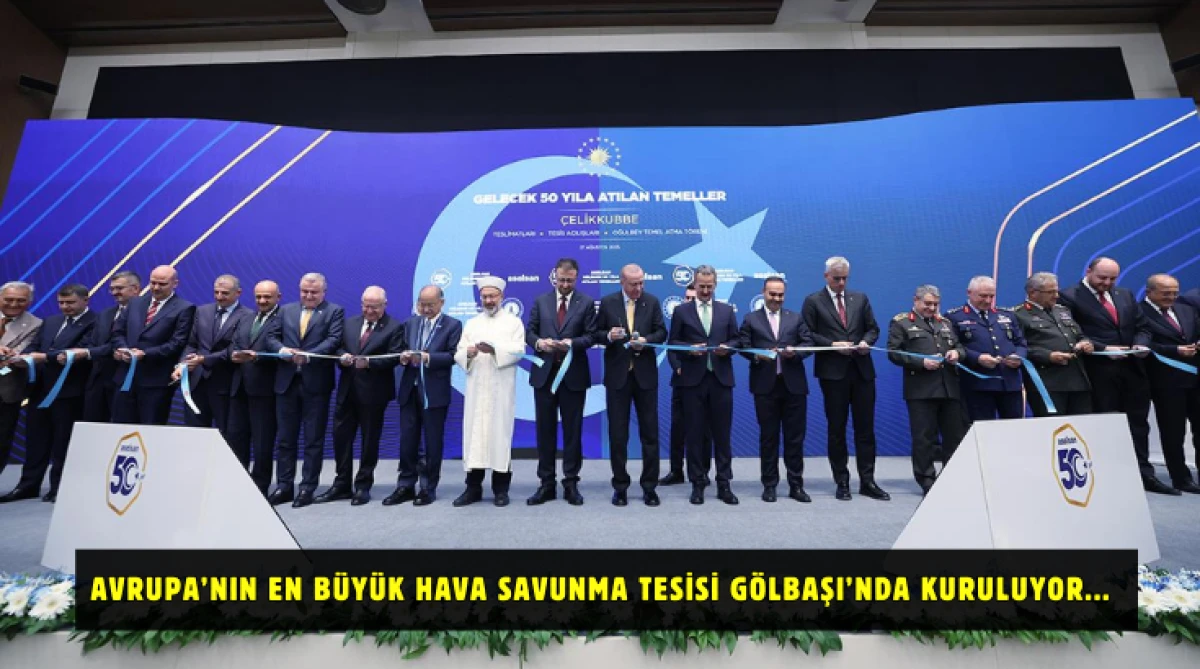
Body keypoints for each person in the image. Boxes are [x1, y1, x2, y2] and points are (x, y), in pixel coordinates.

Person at [1058, 257, 1175, 495]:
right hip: (1099, 373)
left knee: (1138, 425)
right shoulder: (1068, 296)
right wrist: (1103, 349)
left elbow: (1143, 327)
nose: (1107, 283)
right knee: (1103, 425)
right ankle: (1106, 477)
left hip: (1133, 371)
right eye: (1102, 277)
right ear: (1088, 271)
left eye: (1112, 278)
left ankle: (1144, 475)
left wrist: (1141, 344)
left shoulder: (1125, 295)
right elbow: (1070, 334)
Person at [800, 257, 889, 501]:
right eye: (836, 278)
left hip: (862, 371)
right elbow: (807, 334)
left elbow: (873, 328)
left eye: (844, 278)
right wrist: (832, 345)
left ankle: (868, 481)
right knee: (836, 429)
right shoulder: (813, 301)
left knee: (866, 429)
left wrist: (866, 342)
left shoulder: (859, 298)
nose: (841, 283)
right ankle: (842, 481)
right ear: (826, 276)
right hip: (833, 374)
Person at [0, 284, 95, 503]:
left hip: (69, 390)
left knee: (62, 441)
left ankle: (58, 486)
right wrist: (19, 356)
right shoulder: (51, 321)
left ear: (85, 300)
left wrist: (44, 357)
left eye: (70, 302)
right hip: (40, 389)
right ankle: (28, 485)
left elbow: (82, 350)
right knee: (35, 441)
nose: (65, 307)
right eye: (61, 302)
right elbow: (34, 347)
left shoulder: (95, 322)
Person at [266, 272, 345, 508]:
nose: (308, 296)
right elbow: (271, 337)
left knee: (313, 440)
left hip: (316, 385)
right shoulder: (285, 310)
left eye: (314, 292)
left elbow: (334, 340)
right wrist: (282, 350)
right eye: (304, 291)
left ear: (324, 292)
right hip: (286, 383)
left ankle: (307, 488)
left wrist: (309, 355)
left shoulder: (334, 311)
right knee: (285, 439)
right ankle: (284, 486)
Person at [593, 263, 667, 506]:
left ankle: (649, 487)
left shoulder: (652, 302)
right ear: (622, 282)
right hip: (618, 378)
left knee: (650, 434)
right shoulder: (608, 303)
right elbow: (595, 333)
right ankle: (620, 486)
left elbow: (661, 333)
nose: (639, 288)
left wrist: (646, 340)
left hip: (645, 377)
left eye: (641, 283)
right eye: (634, 284)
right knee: (618, 435)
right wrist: (608, 336)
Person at [525, 258, 596, 506]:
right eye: (562, 280)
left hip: (573, 377)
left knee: (573, 432)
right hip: (544, 376)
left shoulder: (586, 303)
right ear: (554, 276)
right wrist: (539, 343)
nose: (565, 285)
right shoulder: (541, 301)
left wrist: (572, 343)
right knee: (544, 431)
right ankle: (546, 484)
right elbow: (529, 332)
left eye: (570, 280)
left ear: (576, 278)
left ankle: (571, 483)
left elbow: (591, 336)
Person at [668, 264, 739, 505]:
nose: (706, 291)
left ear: (715, 285)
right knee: (695, 435)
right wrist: (688, 350)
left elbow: (737, 339)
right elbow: (673, 343)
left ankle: (724, 484)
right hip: (692, 381)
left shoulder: (726, 310)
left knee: (722, 435)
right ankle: (697, 484)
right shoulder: (681, 311)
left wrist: (727, 348)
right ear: (695, 284)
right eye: (702, 286)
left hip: (721, 380)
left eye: (710, 286)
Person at [739, 276, 815, 503]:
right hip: (765, 387)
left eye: (780, 295)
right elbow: (743, 346)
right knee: (768, 438)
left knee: (795, 439)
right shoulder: (751, 319)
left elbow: (808, 344)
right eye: (772, 294)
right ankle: (769, 485)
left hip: (794, 387)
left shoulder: (796, 318)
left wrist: (796, 353)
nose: (776, 298)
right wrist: (758, 356)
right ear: (764, 293)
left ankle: (796, 485)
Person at [887, 284, 967, 495]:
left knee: (954, 436)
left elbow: (959, 347)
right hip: (921, 389)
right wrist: (921, 362)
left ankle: (951, 477)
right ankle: (926, 479)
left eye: (935, 304)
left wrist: (957, 354)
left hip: (949, 388)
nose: (932, 308)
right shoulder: (902, 322)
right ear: (916, 300)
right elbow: (893, 352)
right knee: (924, 438)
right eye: (927, 304)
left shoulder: (945, 323)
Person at [327, 286, 404, 506]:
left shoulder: (394, 327)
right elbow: (338, 348)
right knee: (341, 438)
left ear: (384, 305)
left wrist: (369, 363)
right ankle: (342, 484)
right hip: (347, 391)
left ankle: (363, 485)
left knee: (370, 440)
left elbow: (395, 356)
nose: (369, 311)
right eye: (366, 306)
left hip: (374, 394)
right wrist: (342, 356)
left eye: (375, 307)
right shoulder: (350, 323)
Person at [453, 276, 526, 507]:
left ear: (501, 297)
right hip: (477, 389)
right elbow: (459, 352)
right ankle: (472, 488)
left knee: (499, 438)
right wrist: (469, 353)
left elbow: (519, 350)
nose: (488, 300)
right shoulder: (472, 323)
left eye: (492, 296)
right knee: (474, 437)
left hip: (500, 388)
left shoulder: (514, 323)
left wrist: (495, 350)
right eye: (484, 296)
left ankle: (501, 490)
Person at [388, 285, 462, 506]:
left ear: (441, 303)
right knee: (407, 440)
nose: (426, 309)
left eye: (431, 304)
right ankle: (405, 485)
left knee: (432, 441)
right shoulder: (411, 323)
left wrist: (428, 358)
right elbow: (399, 349)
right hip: (409, 389)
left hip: (434, 392)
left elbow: (453, 356)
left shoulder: (452, 325)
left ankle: (428, 487)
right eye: (422, 304)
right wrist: (403, 357)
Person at [175, 274, 251, 457]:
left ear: (238, 293)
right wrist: (183, 363)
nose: (219, 296)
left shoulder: (247, 316)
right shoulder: (202, 311)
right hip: (197, 383)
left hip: (225, 384)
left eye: (225, 293)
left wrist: (203, 359)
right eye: (216, 292)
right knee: (194, 434)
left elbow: (235, 349)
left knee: (228, 436)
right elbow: (191, 343)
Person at [111, 265, 195, 425]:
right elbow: (117, 332)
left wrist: (145, 354)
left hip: (155, 381)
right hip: (125, 378)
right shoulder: (135, 303)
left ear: (175, 283)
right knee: (121, 428)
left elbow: (177, 343)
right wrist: (123, 350)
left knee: (150, 428)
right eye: (153, 283)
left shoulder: (185, 308)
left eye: (162, 284)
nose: (156, 288)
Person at [1140, 273, 1200, 494]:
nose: (1171, 297)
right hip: (1165, 382)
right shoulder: (1139, 312)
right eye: (1166, 293)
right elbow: (1143, 345)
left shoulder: (1186, 309)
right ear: (1150, 292)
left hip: (1195, 380)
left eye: (1175, 293)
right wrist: (1174, 350)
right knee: (1173, 433)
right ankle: (1180, 478)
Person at [944, 276, 1027, 421]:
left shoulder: (1006, 315)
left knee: (1014, 427)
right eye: (982, 296)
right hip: (978, 384)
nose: (988, 300)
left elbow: (1021, 342)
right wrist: (977, 358)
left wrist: (1018, 357)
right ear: (969, 293)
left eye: (991, 296)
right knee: (982, 428)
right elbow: (953, 346)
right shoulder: (955, 317)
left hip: (1009, 382)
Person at [1013, 272, 1095, 417]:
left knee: (1081, 426)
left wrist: (1085, 343)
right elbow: (1017, 347)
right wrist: (1048, 356)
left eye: (1057, 291)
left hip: (1077, 378)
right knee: (1053, 427)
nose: (1056, 296)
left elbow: (1079, 335)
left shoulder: (1062, 310)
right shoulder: (1018, 314)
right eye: (1050, 292)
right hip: (1047, 381)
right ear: (1033, 293)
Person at [229, 280, 282, 496]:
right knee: (236, 437)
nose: (262, 301)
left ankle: (260, 486)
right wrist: (233, 354)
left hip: (265, 389)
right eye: (258, 296)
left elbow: (282, 351)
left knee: (262, 441)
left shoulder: (283, 319)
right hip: (239, 387)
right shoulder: (247, 318)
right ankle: (238, 481)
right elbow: (235, 343)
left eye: (267, 297)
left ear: (278, 297)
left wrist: (257, 357)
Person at [67, 271, 140, 423]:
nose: (114, 292)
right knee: (93, 426)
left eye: (119, 288)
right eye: (112, 289)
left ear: (135, 289)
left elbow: (118, 344)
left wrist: (87, 352)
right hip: (98, 379)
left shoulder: (145, 314)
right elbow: (94, 341)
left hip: (127, 380)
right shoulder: (105, 314)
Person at [661, 284, 710, 485]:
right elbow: (672, 347)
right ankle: (676, 471)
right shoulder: (680, 316)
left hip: (703, 381)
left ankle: (703, 471)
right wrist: (678, 368)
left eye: (693, 297)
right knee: (678, 428)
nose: (690, 301)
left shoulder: (707, 319)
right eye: (687, 298)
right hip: (681, 382)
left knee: (704, 429)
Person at [0, 282, 45, 484]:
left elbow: (22, 353)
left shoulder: (36, 324)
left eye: (20, 300)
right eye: (9, 299)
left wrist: (11, 356)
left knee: (2, 440)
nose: (13, 304)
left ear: (29, 302)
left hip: (7, 390)